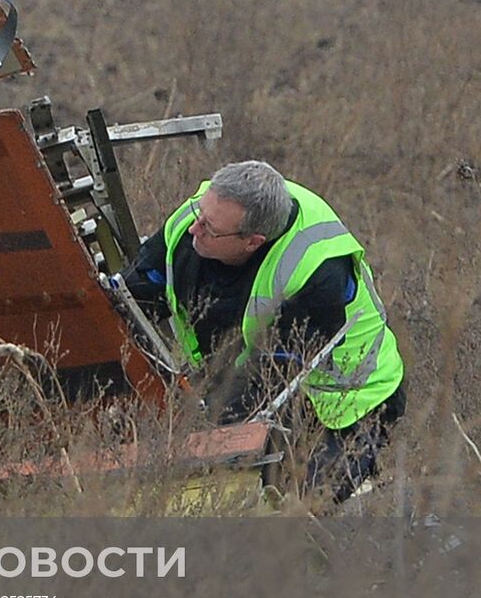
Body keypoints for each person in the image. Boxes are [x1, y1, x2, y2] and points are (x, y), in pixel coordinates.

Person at [120, 160, 405, 502]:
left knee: (299, 508)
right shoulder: (198, 218)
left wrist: (189, 434)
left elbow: (266, 381)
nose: (194, 229)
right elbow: (135, 296)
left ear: (252, 241)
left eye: (210, 228)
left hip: (350, 400)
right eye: (201, 213)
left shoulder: (316, 270)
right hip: (250, 376)